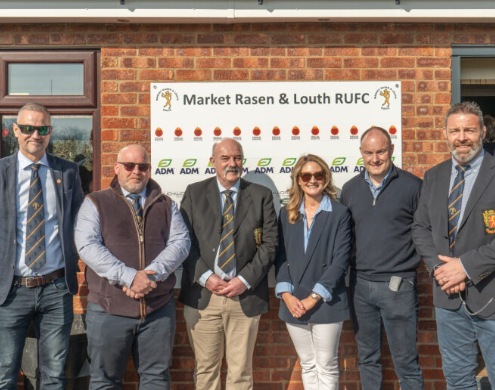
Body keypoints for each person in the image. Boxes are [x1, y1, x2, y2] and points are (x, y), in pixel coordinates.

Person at [412, 101, 495, 389]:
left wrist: (463, 268)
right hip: (449, 300)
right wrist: (442, 270)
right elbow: (421, 227)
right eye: (455, 131)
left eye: (468, 130)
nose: (461, 137)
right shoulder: (434, 176)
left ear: (482, 131)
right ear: (445, 134)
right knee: (457, 382)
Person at [0, 102, 84, 390]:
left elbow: (80, 223)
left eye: (42, 128)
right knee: (5, 373)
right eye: (29, 128)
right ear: (16, 131)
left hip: (56, 289)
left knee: (54, 374)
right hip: (11, 289)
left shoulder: (68, 172)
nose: (36, 134)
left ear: (50, 132)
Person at [74, 144, 190, 390]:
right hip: (109, 309)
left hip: (157, 308)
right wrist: (129, 277)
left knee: (156, 379)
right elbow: (87, 247)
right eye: (129, 166)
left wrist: (150, 276)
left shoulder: (166, 204)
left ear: (149, 170)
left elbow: (181, 243)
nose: (136, 171)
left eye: (142, 166)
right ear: (117, 168)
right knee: (105, 381)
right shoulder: (95, 202)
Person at [179, 138, 278, 390]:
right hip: (203, 296)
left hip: (244, 296)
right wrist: (205, 276)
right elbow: (183, 242)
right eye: (225, 158)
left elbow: (270, 245)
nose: (232, 164)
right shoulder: (194, 192)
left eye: (237, 158)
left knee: (241, 373)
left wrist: (244, 280)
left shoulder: (261, 195)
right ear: (213, 162)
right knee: (206, 371)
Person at [341, 127, 424, 390]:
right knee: (367, 359)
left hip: (398, 285)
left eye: (381, 152)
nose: (375, 158)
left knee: (406, 362)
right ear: (361, 153)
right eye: (369, 153)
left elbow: (425, 233)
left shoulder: (413, 186)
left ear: (391, 151)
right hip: (360, 286)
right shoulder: (350, 189)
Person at [275, 155, 350, 390]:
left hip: (327, 301)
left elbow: (340, 261)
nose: (313, 180)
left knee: (326, 365)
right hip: (294, 302)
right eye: (306, 175)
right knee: (307, 365)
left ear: (325, 178)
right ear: (298, 179)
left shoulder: (339, 213)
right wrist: (287, 296)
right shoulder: (288, 214)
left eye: (318, 175)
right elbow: (280, 258)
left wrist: (313, 297)